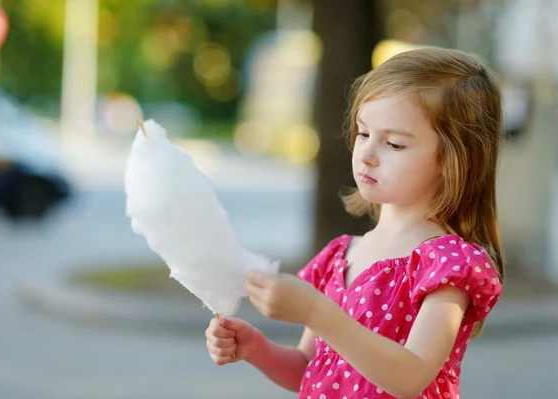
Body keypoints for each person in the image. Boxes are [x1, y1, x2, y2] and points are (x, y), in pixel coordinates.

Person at [205, 47, 505, 399]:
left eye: (393, 144)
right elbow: (309, 369)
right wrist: (256, 348)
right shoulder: (340, 256)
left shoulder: (448, 263)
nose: (366, 154)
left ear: (455, 158)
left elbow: (412, 377)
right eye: (363, 133)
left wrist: (319, 312)